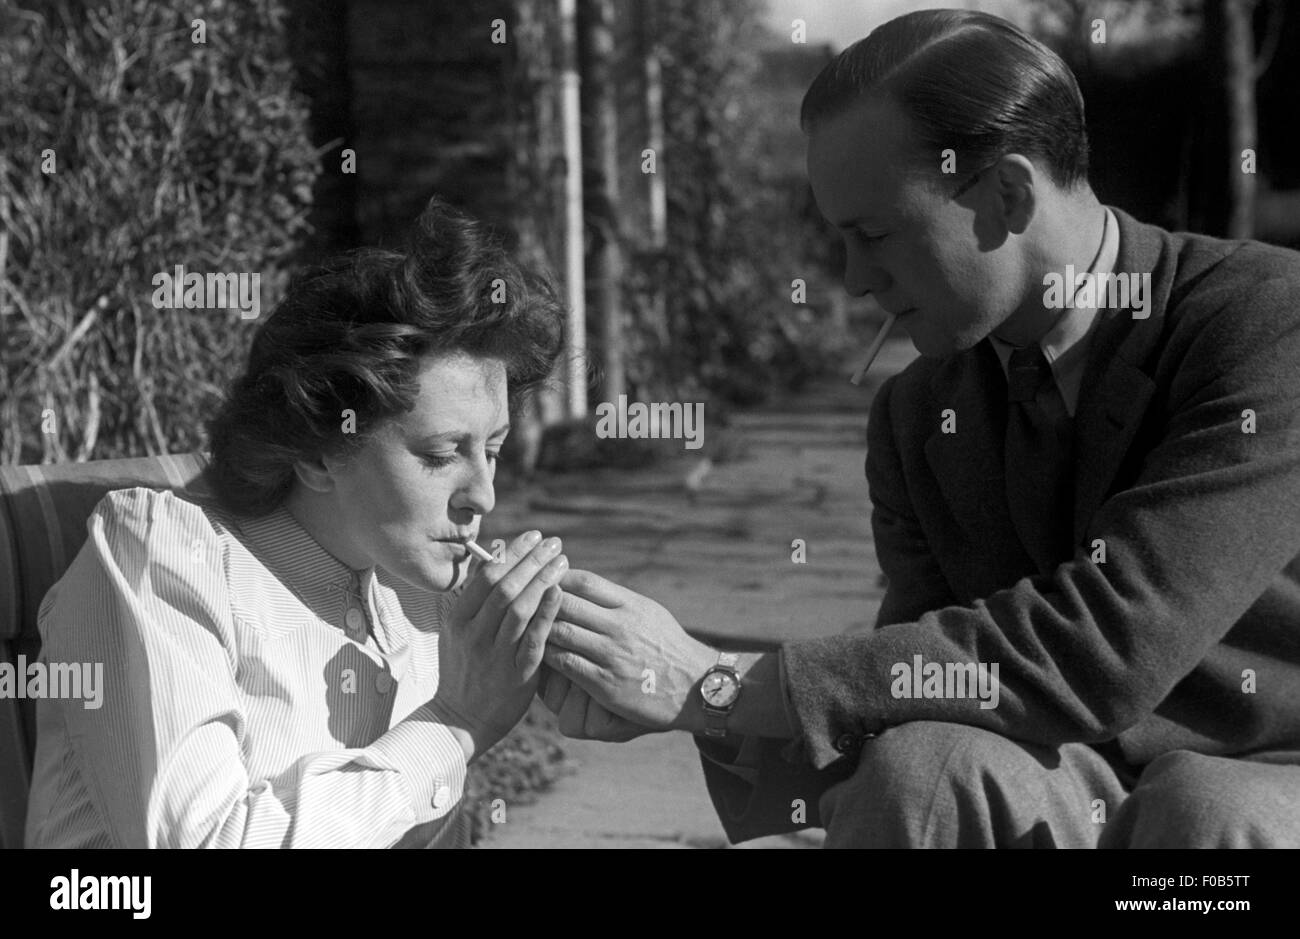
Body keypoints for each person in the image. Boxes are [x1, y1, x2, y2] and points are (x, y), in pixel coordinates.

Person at [538, 9, 1300, 848]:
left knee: (1204, 816)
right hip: (1071, 780)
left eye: (872, 235)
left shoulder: (1266, 324)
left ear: (1006, 194)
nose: (855, 279)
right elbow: (909, 695)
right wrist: (681, 703)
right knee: (921, 772)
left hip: (1269, 773)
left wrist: (720, 681)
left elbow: (1109, 643)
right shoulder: (916, 418)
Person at [25, 197, 569, 848]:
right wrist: (455, 721)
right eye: (441, 454)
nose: (482, 493)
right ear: (317, 449)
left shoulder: (416, 588)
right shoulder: (166, 557)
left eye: (494, 449)